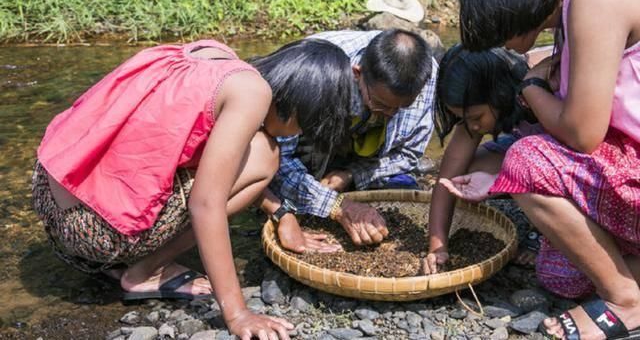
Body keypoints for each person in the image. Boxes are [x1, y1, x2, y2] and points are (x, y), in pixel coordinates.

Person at [32, 37, 353, 339]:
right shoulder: (254, 95)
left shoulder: (214, 56)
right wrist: (238, 314)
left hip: (52, 191)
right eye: (304, 125)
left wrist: (282, 212)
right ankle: (142, 273)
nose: (293, 134)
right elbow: (205, 204)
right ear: (301, 106)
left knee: (243, 157)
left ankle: (128, 258)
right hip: (88, 230)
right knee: (265, 155)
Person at [441, 0, 640, 340]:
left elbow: (582, 135)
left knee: (527, 159)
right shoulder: (569, 21)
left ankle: (626, 300)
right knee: (560, 276)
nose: (505, 47)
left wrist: (530, 88)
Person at [269, 29, 438, 252]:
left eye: (401, 107)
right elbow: (277, 155)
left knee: (400, 183)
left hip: (365, 147)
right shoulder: (317, 71)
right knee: (296, 184)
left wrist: (352, 174)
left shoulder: (425, 76)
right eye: (381, 104)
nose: (390, 113)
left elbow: (408, 154)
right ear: (357, 74)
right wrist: (337, 206)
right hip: (317, 129)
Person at [425, 44, 544, 274]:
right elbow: (447, 177)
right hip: (523, 149)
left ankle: (542, 231)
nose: (473, 127)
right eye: (464, 119)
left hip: (561, 157)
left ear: (498, 93)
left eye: (476, 117)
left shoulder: (538, 88)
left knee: (523, 160)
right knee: (463, 175)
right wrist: (437, 245)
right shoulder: (479, 105)